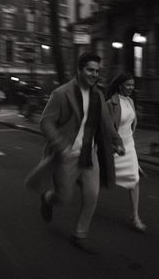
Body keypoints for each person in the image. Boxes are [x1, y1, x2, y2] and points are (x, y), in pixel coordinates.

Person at [25, 52, 125, 253]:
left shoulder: (98, 95)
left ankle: (80, 234)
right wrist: (61, 146)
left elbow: (106, 123)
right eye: (90, 70)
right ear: (79, 70)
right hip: (67, 156)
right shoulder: (61, 94)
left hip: (90, 154)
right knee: (63, 198)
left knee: (92, 196)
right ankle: (47, 199)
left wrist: (117, 141)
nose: (94, 74)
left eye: (97, 71)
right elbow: (45, 122)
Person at [106, 72, 147, 232]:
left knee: (134, 180)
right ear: (120, 85)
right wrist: (115, 145)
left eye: (133, 85)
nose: (131, 88)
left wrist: (130, 140)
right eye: (128, 85)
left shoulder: (130, 101)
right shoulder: (111, 103)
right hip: (115, 148)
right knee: (96, 177)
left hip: (128, 147)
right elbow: (107, 128)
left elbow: (132, 122)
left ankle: (135, 217)